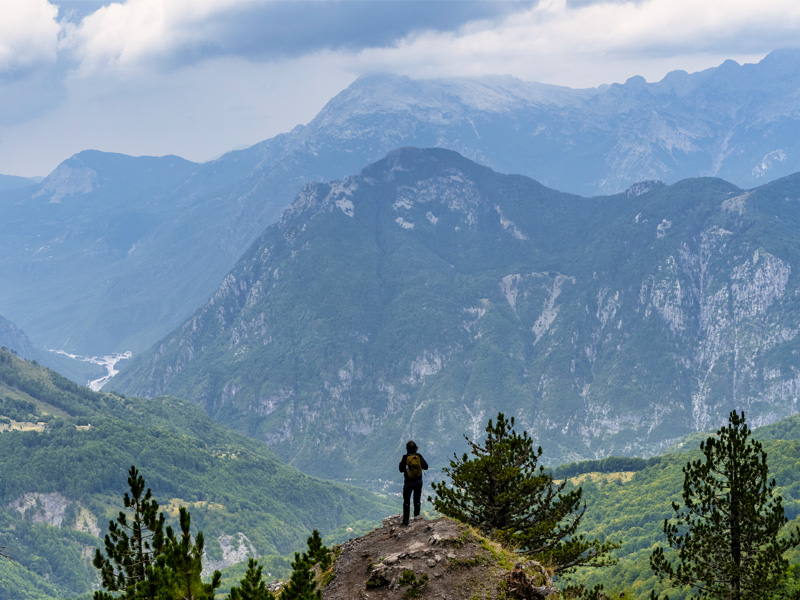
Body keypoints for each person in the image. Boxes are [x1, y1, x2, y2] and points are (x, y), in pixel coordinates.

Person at [398, 440, 428, 526]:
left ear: (407, 448)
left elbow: (401, 469)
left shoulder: (405, 457)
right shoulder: (419, 456)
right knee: (417, 500)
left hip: (408, 483)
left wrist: (402, 462)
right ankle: (417, 518)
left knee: (406, 501)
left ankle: (406, 521)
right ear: (416, 448)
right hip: (418, 482)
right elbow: (426, 467)